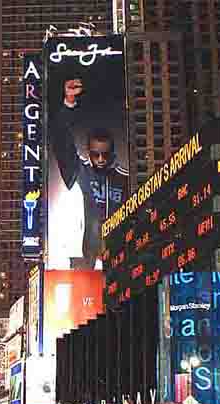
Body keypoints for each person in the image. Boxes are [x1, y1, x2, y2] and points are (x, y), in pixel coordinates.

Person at [49, 77, 130, 270]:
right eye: (95, 154)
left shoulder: (124, 179)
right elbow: (61, 139)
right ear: (88, 152)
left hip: (119, 259)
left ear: (112, 153)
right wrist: (69, 102)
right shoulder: (81, 172)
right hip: (85, 258)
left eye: (105, 154)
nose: (100, 159)